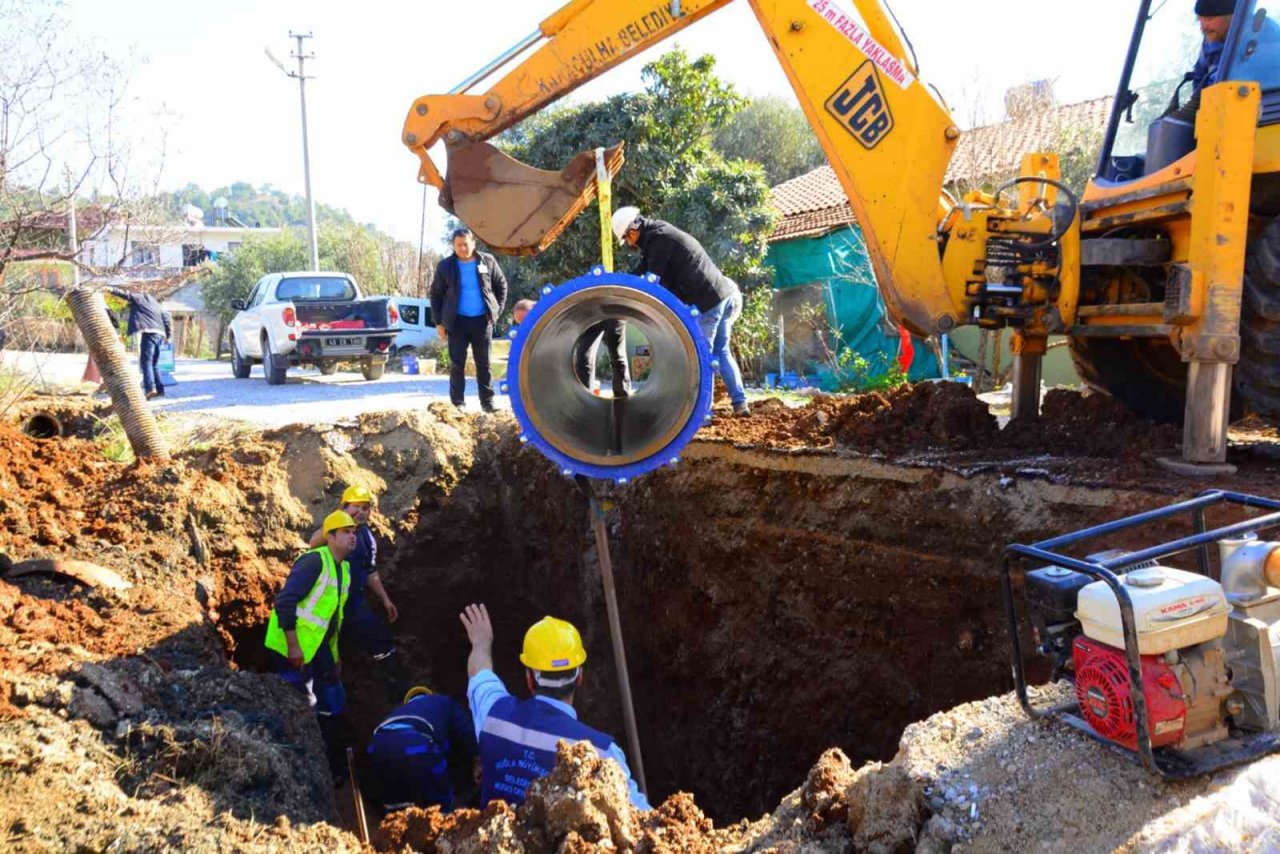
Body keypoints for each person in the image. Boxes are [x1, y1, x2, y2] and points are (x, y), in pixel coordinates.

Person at [459, 604, 650, 811]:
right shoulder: (602, 752)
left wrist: (481, 643)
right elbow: (642, 817)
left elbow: (479, 672)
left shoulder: (493, 716)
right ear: (579, 677)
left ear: (530, 678)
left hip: (492, 841)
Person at [610, 206, 749, 417]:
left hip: (709, 301)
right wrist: (620, 284)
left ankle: (702, 413)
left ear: (634, 227)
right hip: (722, 294)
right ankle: (740, 404)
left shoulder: (659, 239)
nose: (629, 243)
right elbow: (641, 272)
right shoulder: (656, 237)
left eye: (627, 237)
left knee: (702, 357)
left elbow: (652, 281)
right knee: (720, 352)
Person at [265, 509, 358, 782]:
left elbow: (333, 618)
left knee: (334, 700)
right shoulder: (313, 562)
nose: (353, 537)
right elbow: (285, 602)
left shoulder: (345, 569)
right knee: (303, 707)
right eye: (346, 532)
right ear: (330, 537)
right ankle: (305, 768)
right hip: (290, 649)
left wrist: (335, 656)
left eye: (354, 532)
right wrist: (294, 646)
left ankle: (336, 766)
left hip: (318, 648)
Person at [308, 485, 406, 702]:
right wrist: (339, 524)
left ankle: (397, 692)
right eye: (356, 507)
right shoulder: (334, 528)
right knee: (329, 656)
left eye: (366, 508)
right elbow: (313, 543)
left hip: (355, 602)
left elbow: (370, 571)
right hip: (329, 605)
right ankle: (327, 702)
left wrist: (385, 599)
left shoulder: (367, 538)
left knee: (381, 641)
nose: (361, 512)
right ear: (344, 506)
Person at [366, 685, 479, 813]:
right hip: (415, 743)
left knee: (396, 805)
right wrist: (478, 756)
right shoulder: (445, 702)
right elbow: (467, 731)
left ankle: (398, 821)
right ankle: (445, 818)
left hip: (376, 747)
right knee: (441, 799)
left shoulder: (401, 710)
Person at [431, 226, 508, 412]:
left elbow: (501, 285)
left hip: (482, 322)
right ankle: (458, 404)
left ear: (473, 243)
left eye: (466, 244)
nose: (463, 249)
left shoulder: (487, 261)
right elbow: (435, 295)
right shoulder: (445, 266)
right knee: (457, 365)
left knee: (485, 364)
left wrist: (495, 311)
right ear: (453, 246)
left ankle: (488, 403)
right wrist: (439, 323)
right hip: (456, 323)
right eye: (459, 245)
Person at [511, 299, 628, 397]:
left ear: (534, 308)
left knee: (616, 355)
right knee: (583, 356)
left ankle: (622, 397)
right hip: (591, 319)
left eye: (526, 320)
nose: (526, 325)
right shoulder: (540, 323)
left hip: (611, 309)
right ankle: (586, 398)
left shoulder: (553, 305)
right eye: (521, 323)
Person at [106, 286, 172, 399]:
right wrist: (168, 336)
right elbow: (166, 318)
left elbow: (126, 295)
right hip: (160, 334)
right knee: (154, 363)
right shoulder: (155, 303)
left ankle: (149, 389)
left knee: (146, 362)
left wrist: (111, 290)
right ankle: (160, 389)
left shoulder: (140, 297)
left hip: (149, 332)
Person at [1190, 0, 1236, 95]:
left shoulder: (1261, 39)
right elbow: (1198, 80)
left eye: (1210, 19)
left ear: (1233, 16)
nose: (1203, 27)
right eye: (1200, 20)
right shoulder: (1211, 44)